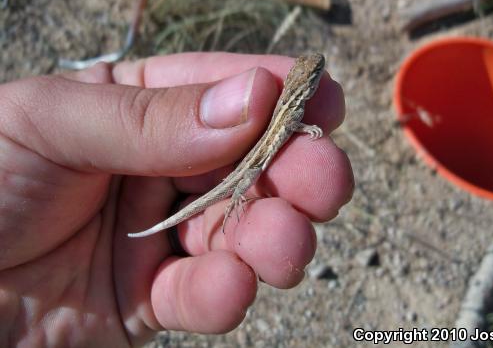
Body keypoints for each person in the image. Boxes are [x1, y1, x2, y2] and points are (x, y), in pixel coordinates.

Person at [0, 52, 353, 346]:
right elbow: (290, 124)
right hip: (253, 160)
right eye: (314, 74)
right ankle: (231, 201)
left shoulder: (291, 101)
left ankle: (227, 201)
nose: (317, 75)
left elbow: (289, 121)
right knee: (244, 186)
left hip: (251, 157)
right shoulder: (291, 107)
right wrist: (306, 128)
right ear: (304, 84)